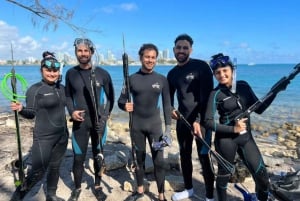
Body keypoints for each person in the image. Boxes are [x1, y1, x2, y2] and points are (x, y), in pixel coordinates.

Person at [204, 53, 290, 201]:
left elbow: (260, 108)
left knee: (262, 177)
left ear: (232, 69)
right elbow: (208, 122)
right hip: (226, 141)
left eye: (225, 70)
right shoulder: (215, 94)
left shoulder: (243, 86)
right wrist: (233, 129)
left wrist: (275, 92)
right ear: (214, 75)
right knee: (223, 179)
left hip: (246, 138)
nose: (222, 75)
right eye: (217, 73)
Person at [10, 51, 68, 201]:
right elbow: (31, 113)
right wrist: (21, 109)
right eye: (48, 70)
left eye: (55, 70)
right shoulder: (35, 90)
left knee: (55, 167)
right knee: (37, 172)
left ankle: (51, 195)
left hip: (62, 136)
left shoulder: (62, 88)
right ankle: (18, 196)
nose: (52, 73)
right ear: (41, 70)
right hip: (44, 139)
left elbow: (71, 105)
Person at [118, 43, 172, 201]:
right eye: (147, 57)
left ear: (156, 59)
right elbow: (121, 100)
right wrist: (124, 106)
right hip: (137, 126)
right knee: (138, 159)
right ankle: (140, 190)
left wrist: (168, 128)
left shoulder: (162, 80)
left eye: (153, 57)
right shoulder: (131, 79)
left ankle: (161, 195)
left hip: (155, 127)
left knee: (159, 161)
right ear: (141, 58)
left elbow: (167, 104)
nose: (150, 60)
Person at [65, 38, 115, 201]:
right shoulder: (71, 73)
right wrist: (71, 112)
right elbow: (67, 96)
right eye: (80, 50)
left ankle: (98, 186)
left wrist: (105, 117)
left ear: (92, 52)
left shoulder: (102, 74)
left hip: (98, 123)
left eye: (86, 50)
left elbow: (111, 98)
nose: (83, 53)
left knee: (98, 155)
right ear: (76, 52)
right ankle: (77, 187)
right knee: (78, 157)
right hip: (80, 124)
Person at [167, 34, 215, 201]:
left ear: (191, 50)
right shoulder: (172, 73)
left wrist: (199, 120)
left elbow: (209, 96)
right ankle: (189, 189)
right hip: (182, 121)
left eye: (185, 48)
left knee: (204, 156)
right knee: (184, 154)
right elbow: (168, 97)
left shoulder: (201, 67)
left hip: (202, 121)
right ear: (174, 50)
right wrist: (171, 109)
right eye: (178, 47)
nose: (181, 50)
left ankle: (209, 196)